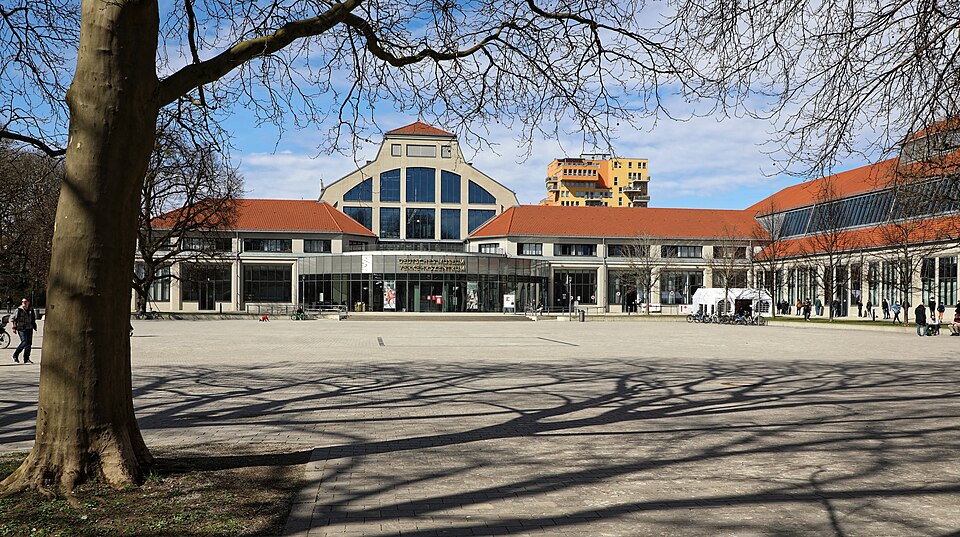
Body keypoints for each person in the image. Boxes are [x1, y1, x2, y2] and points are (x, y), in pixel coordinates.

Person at [11, 298, 37, 364]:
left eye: (25, 301)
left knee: (29, 344)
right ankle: (15, 355)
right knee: (24, 342)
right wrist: (14, 327)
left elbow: (33, 318)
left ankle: (26, 359)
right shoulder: (19, 310)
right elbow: (13, 319)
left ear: (28, 302)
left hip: (29, 328)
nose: (24, 303)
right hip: (21, 328)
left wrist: (34, 325)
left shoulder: (31, 309)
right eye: (22, 301)